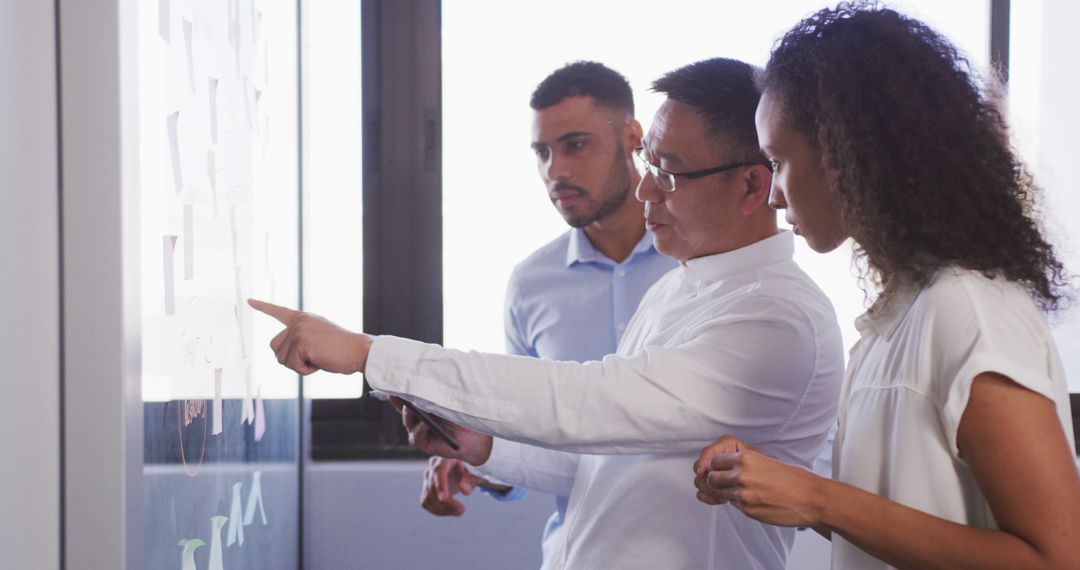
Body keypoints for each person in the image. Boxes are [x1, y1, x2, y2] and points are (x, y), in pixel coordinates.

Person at [251, 57, 844, 569]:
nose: (646, 191)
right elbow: (608, 460)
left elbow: (588, 402)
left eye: (667, 172)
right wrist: (485, 447)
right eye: (649, 165)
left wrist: (367, 352)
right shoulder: (683, 288)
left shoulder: (778, 319)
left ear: (750, 187)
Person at [693, 4, 1080, 570]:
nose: (775, 194)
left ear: (847, 153)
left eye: (777, 161)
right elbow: (906, 527)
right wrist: (791, 492)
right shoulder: (893, 319)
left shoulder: (967, 306)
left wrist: (821, 498)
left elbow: (1057, 557)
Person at [419, 61, 676, 570]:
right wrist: (477, 459)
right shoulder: (530, 284)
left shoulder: (699, 267)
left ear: (633, 138)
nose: (554, 170)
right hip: (577, 556)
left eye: (575, 145)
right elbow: (526, 442)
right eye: (542, 151)